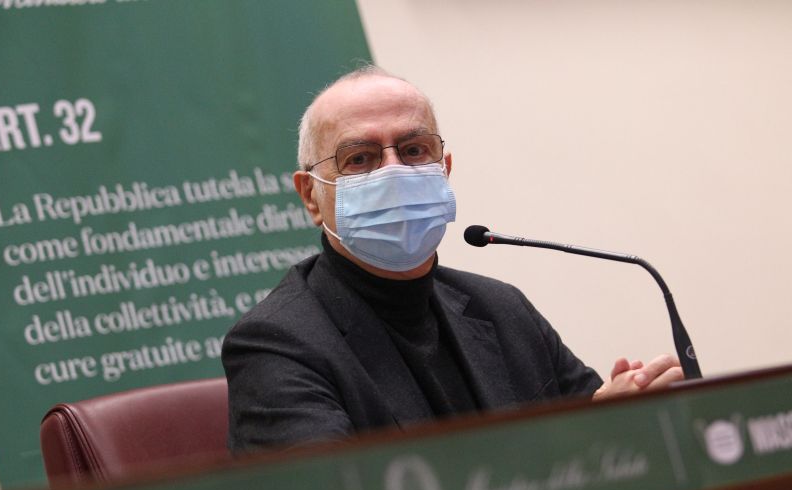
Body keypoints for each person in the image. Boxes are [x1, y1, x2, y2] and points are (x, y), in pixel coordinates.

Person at [222, 66, 683, 453]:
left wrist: (617, 419)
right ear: (310, 195)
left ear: (443, 169)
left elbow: (597, 456)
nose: (394, 172)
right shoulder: (276, 343)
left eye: (413, 150)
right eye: (360, 158)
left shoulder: (501, 309)